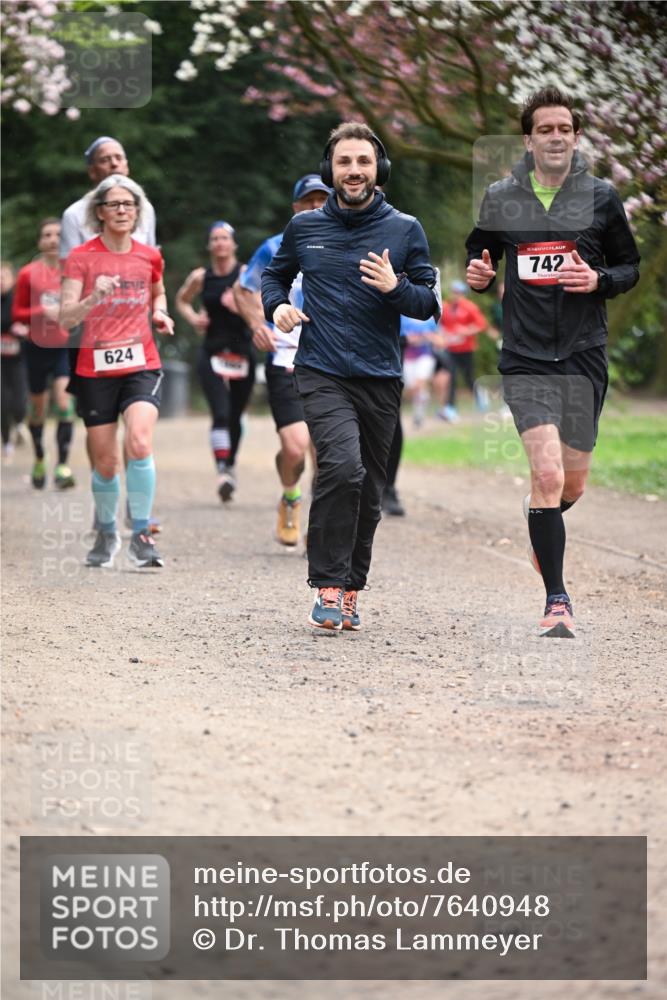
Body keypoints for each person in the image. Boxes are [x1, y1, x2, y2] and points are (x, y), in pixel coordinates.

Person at [466, 86, 640, 638]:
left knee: (570, 488)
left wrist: (599, 279)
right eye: (545, 129)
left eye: (564, 127)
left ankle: (540, 518)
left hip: (584, 356)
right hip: (525, 356)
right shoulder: (502, 196)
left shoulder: (601, 197)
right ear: (529, 138)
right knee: (546, 474)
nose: (556, 136)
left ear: (576, 135)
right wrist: (479, 271)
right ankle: (557, 600)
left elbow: (629, 265)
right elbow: (480, 248)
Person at [262, 121, 440, 631]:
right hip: (320, 368)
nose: (354, 170)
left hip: (380, 374)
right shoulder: (306, 227)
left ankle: (351, 588)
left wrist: (395, 287)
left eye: (363, 161)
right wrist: (277, 307)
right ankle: (327, 586)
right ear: (330, 169)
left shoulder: (406, 229)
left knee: (370, 489)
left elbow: (428, 302)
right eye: (344, 162)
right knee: (342, 468)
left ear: (378, 169)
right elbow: (276, 276)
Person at [59, 174, 174, 569]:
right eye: (114, 204)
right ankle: (107, 531)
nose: (123, 210)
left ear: (137, 212)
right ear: (100, 213)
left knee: (140, 442)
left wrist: (160, 312)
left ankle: (141, 536)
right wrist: (95, 296)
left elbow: (158, 290)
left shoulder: (149, 255)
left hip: (142, 362)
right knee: (106, 462)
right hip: (95, 367)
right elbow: (65, 316)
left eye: (129, 204)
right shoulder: (81, 259)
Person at [233, 174, 330, 545]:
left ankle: (319, 529)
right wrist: (258, 323)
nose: (316, 207)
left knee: (326, 452)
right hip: (284, 358)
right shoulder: (273, 247)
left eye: (323, 200)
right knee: (294, 447)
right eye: (308, 201)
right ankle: (290, 497)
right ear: (296, 208)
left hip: (328, 360)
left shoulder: (343, 243)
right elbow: (243, 290)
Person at [175, 222, 255, 502]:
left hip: (242, 351)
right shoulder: (201, 276)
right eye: (215, 239)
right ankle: (222, 469)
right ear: (209, 246)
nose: (220, 243)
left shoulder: (246, 274)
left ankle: (230, 463)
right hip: (211, 350)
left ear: (233, 244)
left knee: (235, 414)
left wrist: (241, 307)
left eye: (225, 238)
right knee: (220, 411)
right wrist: (194, 317)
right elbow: (181, 300)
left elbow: (261, 312)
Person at [12, 220, 76, 489]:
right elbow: (17, 314)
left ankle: (62, 465)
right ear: (40, 242)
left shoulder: (73, 272)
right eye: (47, 235)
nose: (52, 239)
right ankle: (40, 457)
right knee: (38, 409)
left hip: (63, 346)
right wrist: (41, 312)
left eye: (58, 235)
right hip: (36, 347)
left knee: (64, 403)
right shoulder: (28, 274)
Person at [437, 279, 494, 422]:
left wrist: (466, 331)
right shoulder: (446, 307)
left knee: (469, 378)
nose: (455, 295)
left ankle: (480, 399)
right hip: (451, 349)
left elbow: (481, 325)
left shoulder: (470, 307)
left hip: (467, 349)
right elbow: (440, 326)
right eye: (453, 292)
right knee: (452, 377)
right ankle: (450, 408)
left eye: (458, 292)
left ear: (463, 294)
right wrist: (443, 336)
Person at [1, 261, 28, 459]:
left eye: (4, 277)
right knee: (2, 401)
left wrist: (23, 331)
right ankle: (6, 441)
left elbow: (29, 324)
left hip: (18, 358)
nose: (1, 281)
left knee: (19, 400)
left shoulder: (19, 301)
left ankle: (19, 423)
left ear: (12, 279)